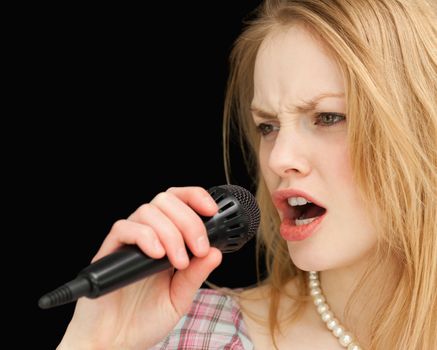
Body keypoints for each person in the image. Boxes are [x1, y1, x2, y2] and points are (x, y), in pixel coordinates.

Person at [57, 0, 437, 349]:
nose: (278, 159)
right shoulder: (196, 335)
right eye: (267, 127)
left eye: (329, 118)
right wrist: (94, 342)